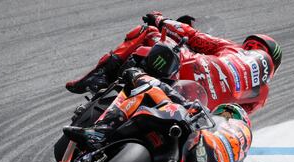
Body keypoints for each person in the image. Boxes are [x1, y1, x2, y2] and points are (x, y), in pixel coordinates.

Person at [63, 67, 252, 162]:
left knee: (148, 91)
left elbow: (178, 100)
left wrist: (139, 76)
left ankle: (101, 132)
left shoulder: (218, 120)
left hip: (200, 144)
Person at [65, 12, 282, 115]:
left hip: (182, 72)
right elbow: (233, 117)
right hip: (196, 107)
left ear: (252, 45)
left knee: (147, 32)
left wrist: (161, 20)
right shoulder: (261, 94)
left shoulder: (235, 49)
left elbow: (193, 36)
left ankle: (99, 75)